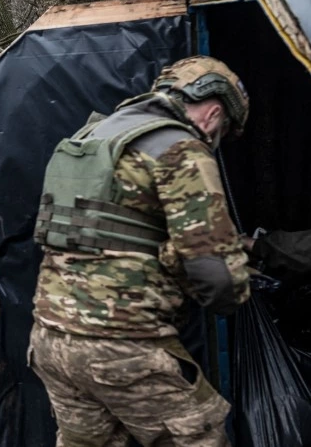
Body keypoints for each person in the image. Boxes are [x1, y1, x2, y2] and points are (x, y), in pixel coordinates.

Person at [30, 56, 253, 446]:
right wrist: (233, 298)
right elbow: (216, 274)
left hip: (50, 340)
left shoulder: (92, 135)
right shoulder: (180, 148)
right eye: (225, 131)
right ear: (215, 114)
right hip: (123, 348)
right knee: (200, 437)